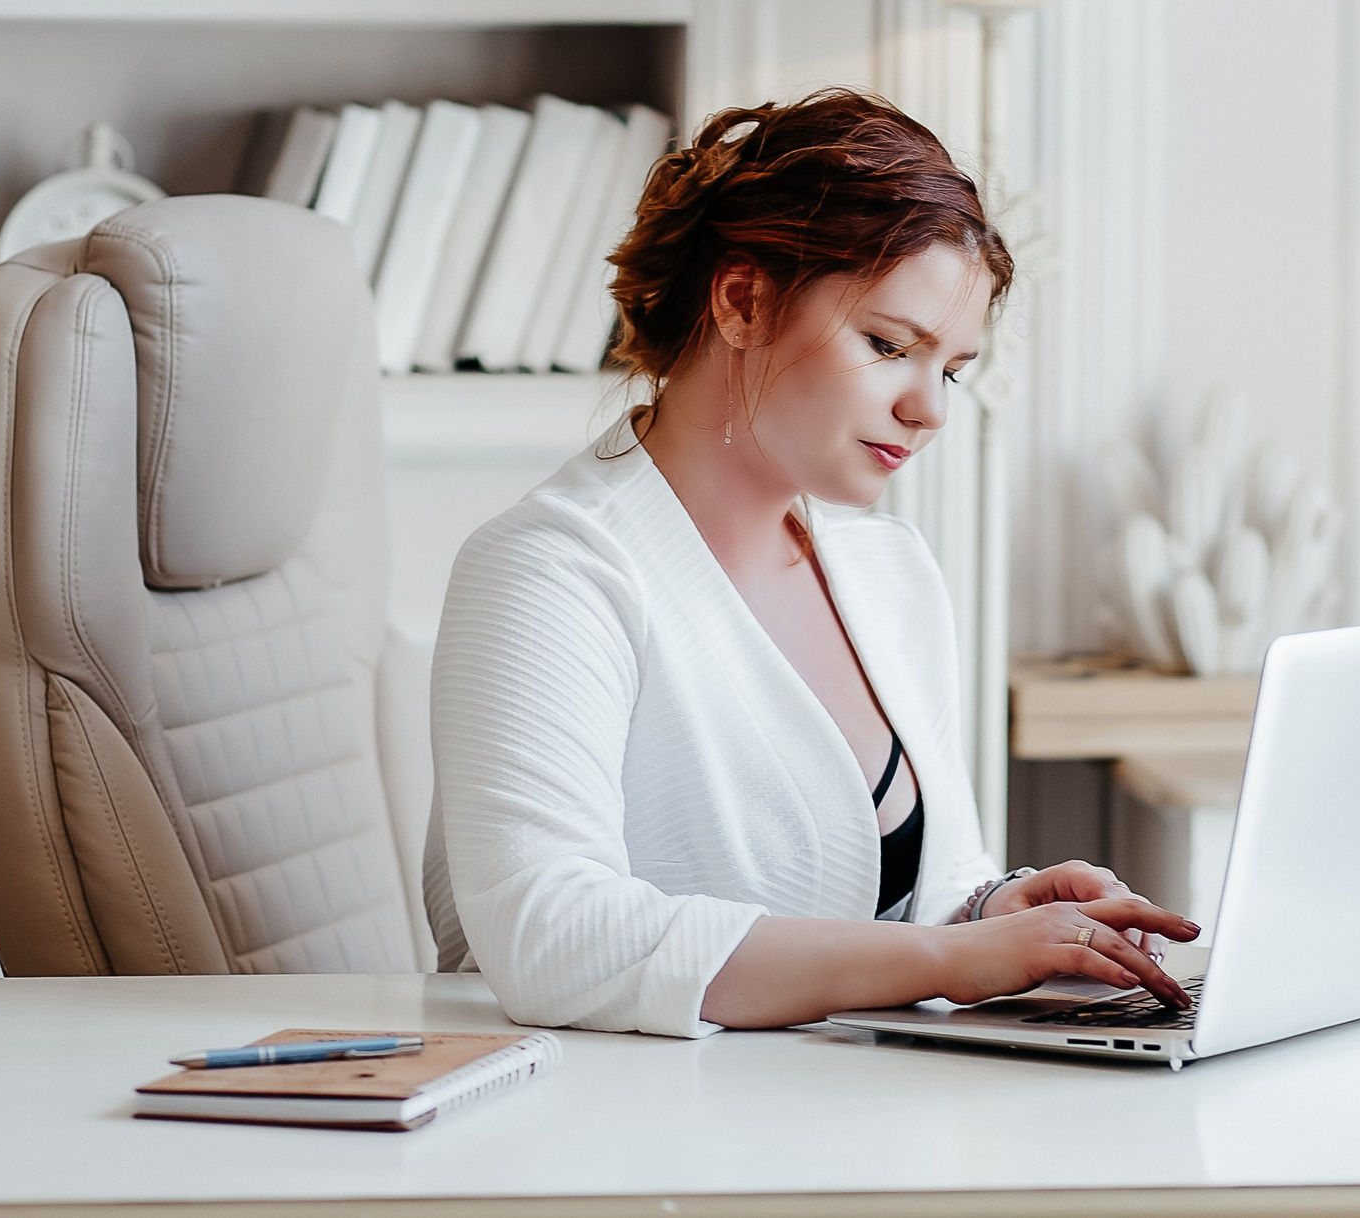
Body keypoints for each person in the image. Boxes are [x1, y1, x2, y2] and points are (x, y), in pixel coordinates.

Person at [424, 89, 1199, 1036]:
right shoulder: (549, 574)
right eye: (888, 345)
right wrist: (947, 957)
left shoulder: (891, 571)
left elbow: (911, 900)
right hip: (628, 1147)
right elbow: (551, 935)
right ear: (742, 300)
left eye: (951, 368)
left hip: (850, 1120)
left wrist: (996, 914)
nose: (932, 409)